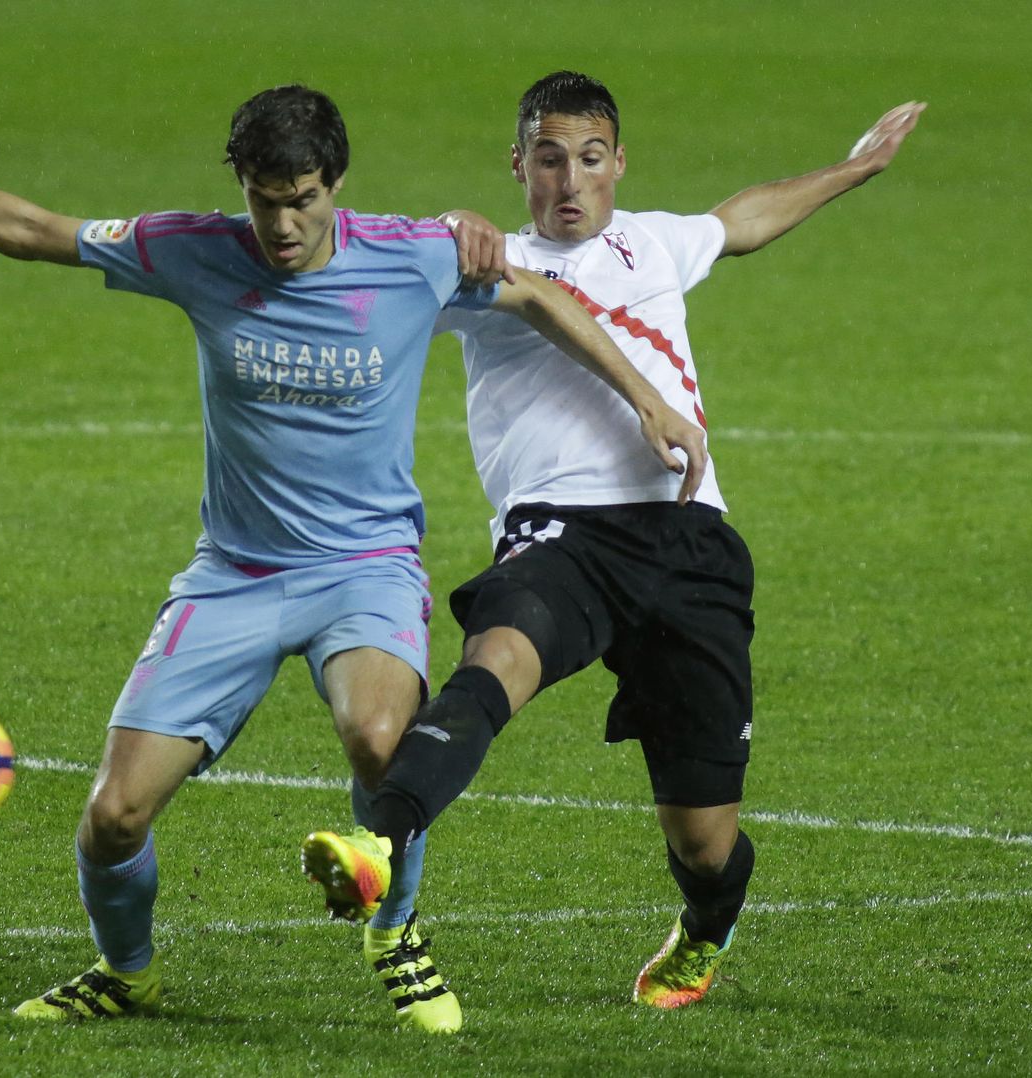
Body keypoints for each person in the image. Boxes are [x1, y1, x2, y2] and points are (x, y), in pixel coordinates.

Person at [0, 84, 708, 1033]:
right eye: (264, 201)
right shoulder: (194, 249)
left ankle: (395, 931)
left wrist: (648, 400)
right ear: (243, 188)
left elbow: (539, 294)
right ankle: (126, 973)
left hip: (365, 569)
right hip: (234, 576)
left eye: (302, 200)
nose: (284, 225)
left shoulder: (412, 257)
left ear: (335, 183)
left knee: (383, 744)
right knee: (113, 817)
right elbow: (33, 230)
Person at [301, 72, 924, 1011]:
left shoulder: (656, 243)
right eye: (548, 159)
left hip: (690, 540)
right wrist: (446, 228)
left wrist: (857, 167)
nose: (570, 180)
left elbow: (742, 220)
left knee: (704, 844)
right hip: (564, 535)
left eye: (590, 159)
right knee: (495, 658)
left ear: (619, 163)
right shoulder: (490, 263)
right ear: (519, 166)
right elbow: (367, 262)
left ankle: (707, 923)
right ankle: (376, 845)